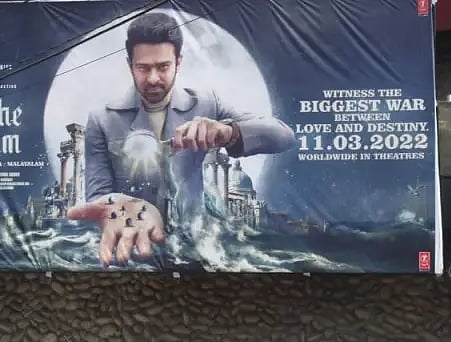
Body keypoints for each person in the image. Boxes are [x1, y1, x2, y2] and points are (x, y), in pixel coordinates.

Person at [68, 12, 296, 267]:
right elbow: (99, 193)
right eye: (143, 68)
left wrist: (228, 132)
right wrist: (117, 206)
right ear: (129, 65)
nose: (153, 78)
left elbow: (283, 136)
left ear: (179, 62)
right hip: (133, 251)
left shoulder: (208, 103)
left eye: (163, 67)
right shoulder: (101, 119)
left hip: (194, 249)